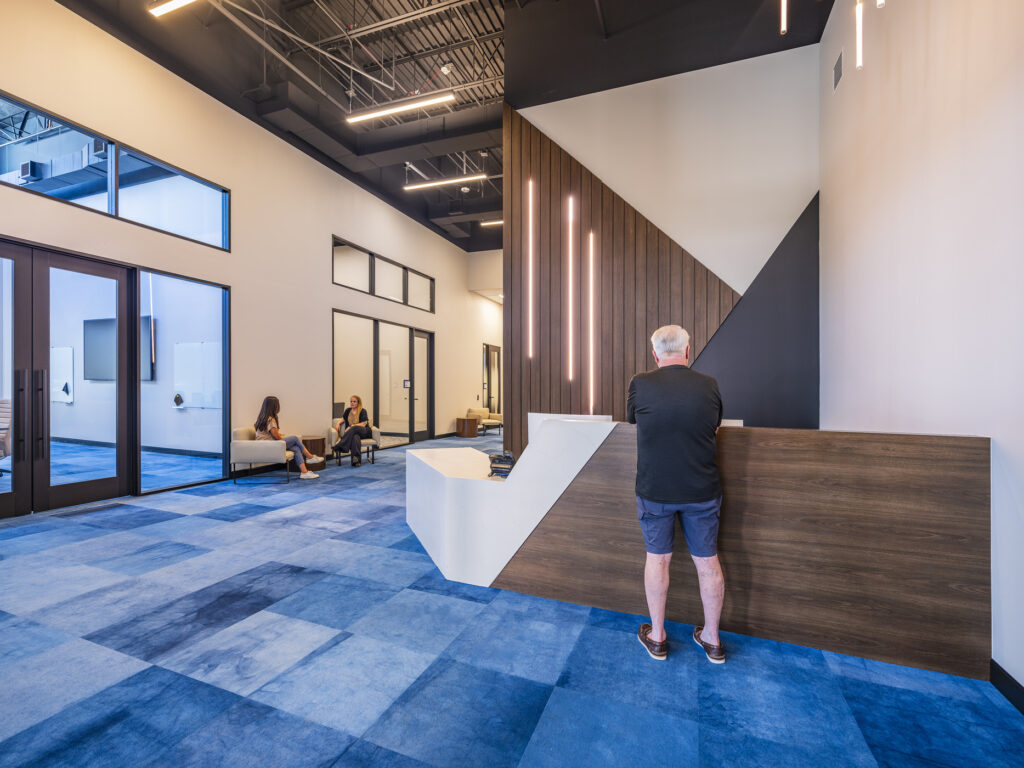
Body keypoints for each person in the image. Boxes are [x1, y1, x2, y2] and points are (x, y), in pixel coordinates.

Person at [627, 325, 726, 663]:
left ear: (655, 356)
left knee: (658, 559)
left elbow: (635, 421)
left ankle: (657, 637)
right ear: (688, 351)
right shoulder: (709, 385)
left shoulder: (640, 383)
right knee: (707, 561)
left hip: (655, 490)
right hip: (702, 490)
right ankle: (712, 640)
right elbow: (713, 427)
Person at [254, 396, 322, 479]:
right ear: (274, 406)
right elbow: (276, 436)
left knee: (296, 448)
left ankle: (304, 472)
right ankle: (309, 457)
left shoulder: (262, 418)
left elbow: (270, 434)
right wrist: (283, 438)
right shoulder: (270, 419)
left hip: (266, 445)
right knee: (295, 438)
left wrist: (282, 436)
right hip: (270, 445)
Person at [334, 395, 371, 467]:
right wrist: (338, 423)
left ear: (358, 403)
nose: (352, 403)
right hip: (354, 433)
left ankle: (340, 445)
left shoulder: (362, 411)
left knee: (353, 428)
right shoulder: (348, 410)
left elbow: (363, 424)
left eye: (354, 401)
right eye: (351, 401)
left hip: (364, 431)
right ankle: (356, 460)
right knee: (355, 437)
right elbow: (343, 418)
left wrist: (351, 426)